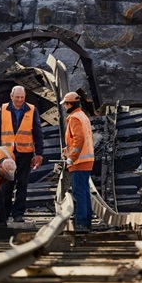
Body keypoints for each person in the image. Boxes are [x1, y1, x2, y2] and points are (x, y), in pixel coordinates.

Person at [0, 86, 44, 222]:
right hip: (7, 153)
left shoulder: (31, 110)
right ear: (11, 96)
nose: (20, 100)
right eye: (17, 97)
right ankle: (4, 213)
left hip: (25, 153)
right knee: (6, 184)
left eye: (22, 97)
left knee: (22, 184)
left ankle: (18, 213)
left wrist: (39, 153)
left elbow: (38, 133)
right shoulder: (3, 109)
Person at [60, 91, 95, 233]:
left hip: (79, 161)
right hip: (87, 160)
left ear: (69, 104)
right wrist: (67, 149)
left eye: (65, 104)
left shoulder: (74, 118)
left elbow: (79, 139)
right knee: (85, 192)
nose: (64, 107)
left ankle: (81, 223)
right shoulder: (83, 116)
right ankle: (86, 221)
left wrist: (72, 157)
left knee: (79, 192)